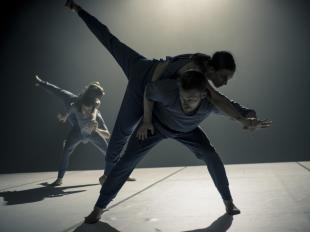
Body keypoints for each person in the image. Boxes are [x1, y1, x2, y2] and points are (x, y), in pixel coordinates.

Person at [64, 0, 271, 223]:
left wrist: (245, 115)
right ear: (211, 70)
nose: (224, 82)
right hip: (143, 82)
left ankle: (228, 200)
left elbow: (221, 102)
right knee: (122, 135)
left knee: (209, 153)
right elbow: (214, 98)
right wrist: (146, 120)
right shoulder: (192, 76)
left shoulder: (201, 78)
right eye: (223, 77)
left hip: (153, 79)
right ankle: (105, 184)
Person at [35, 75, 135, 186]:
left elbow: (107, 134)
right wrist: (42, 83)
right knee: (66, 152)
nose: (85, 112)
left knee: (109, 152)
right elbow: (59, 92)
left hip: (92, 133)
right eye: (84, 110)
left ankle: (123, 174)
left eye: (89, 110)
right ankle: (59, 179)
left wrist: (96, 128)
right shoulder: (73, 102)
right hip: (77, 132)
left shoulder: (96, 112)